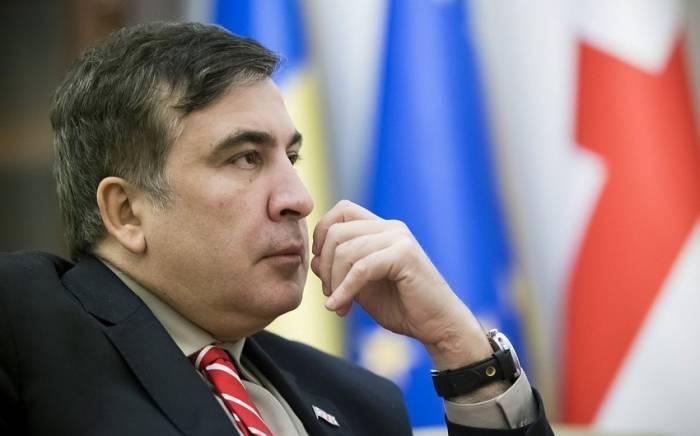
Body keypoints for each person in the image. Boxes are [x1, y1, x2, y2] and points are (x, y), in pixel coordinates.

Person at [0, 22, 552, 435]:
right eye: (244, 158)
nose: (299, 199)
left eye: (291, 158)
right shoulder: (22, 324)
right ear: (126, 212)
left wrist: (460, 349)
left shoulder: (361, 404)